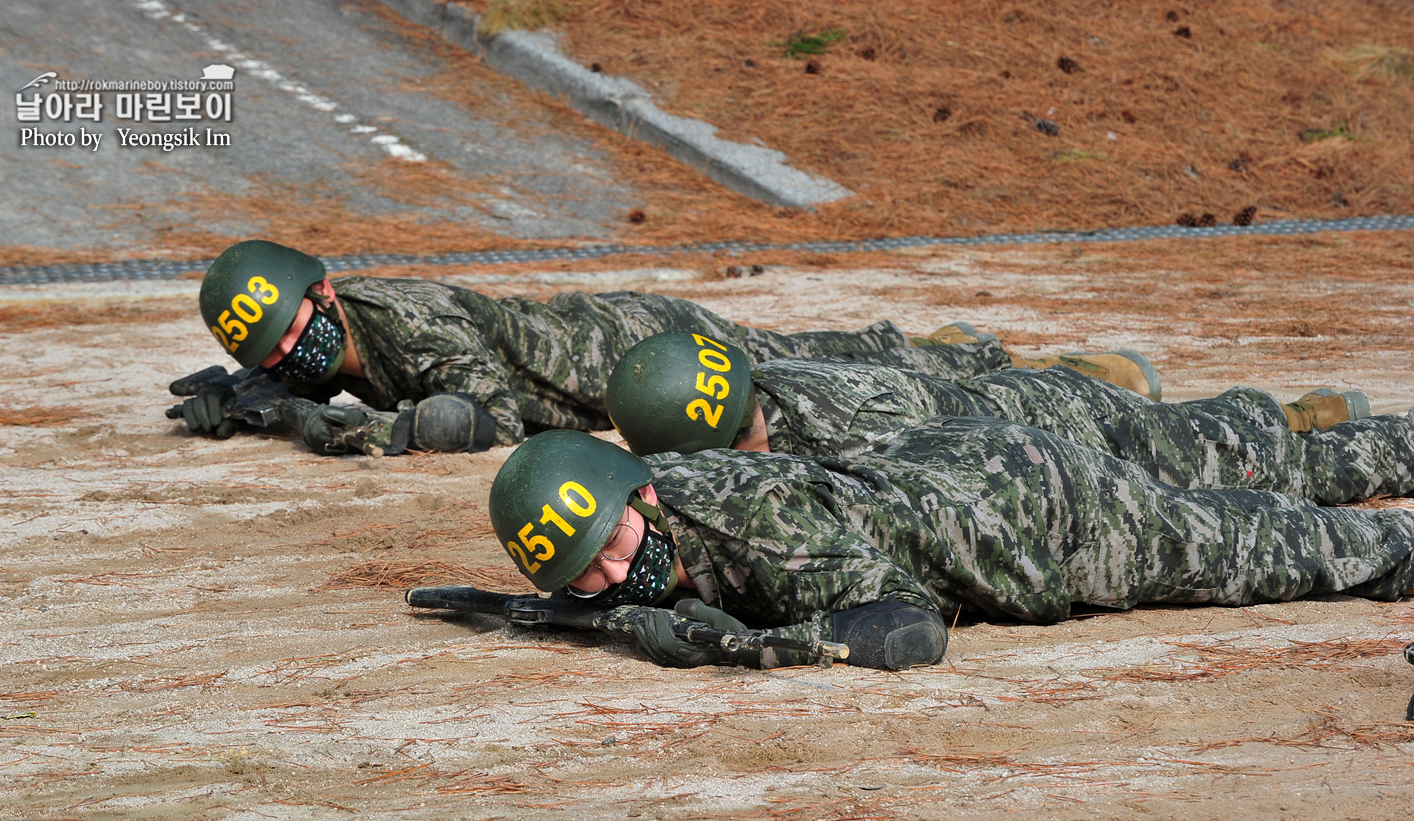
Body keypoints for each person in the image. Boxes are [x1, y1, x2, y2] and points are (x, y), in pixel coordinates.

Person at [486, 428, 1414, 671]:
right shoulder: (643, 487)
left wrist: (736, 643)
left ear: (645, 497)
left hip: (1039, 519)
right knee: (1241, 471)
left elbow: (908, 627)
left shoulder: (762, 535)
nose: (614, 575)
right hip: (942, 471)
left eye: (613, 544)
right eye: (587, 573)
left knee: (1300, 546)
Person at [178, 239, 1162, 452]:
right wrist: (262, 401)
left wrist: (307, 421)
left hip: (640, 345)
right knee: (811, 356)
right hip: (612, 356)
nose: (296, 345)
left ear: (326, 290)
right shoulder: (337, 342)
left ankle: (1014, 366)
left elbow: (480, 418)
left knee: (817, 367)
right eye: (276, 347)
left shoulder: (409, 314)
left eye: (301, 323)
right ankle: (942, 350)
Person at [604, 333, 1411, 506]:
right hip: (1025, 412)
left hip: (1068, 430)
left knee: (1281, 472)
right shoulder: (769, 386)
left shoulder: (846, 425)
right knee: (1229, 439)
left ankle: (1311, 425)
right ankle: (1294, 417)